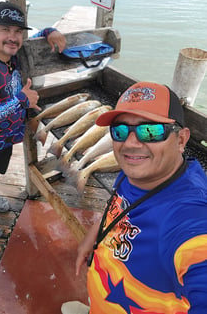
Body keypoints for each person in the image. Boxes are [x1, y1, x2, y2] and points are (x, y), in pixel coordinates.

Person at [61, 81, 207, 314]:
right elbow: (120, 207)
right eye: (120, 131)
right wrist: (94, 237)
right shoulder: (136, 174)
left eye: (150, 131)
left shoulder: (189, 217)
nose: (129, 143)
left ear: (181, 140)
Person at [0, 1, 66, 241]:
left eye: (18, 31)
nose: (13, 37)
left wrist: (50, 32)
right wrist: (21, 100)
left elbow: (36, 39)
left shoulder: (13, 52)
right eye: (5, 29)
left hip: (5, 135)